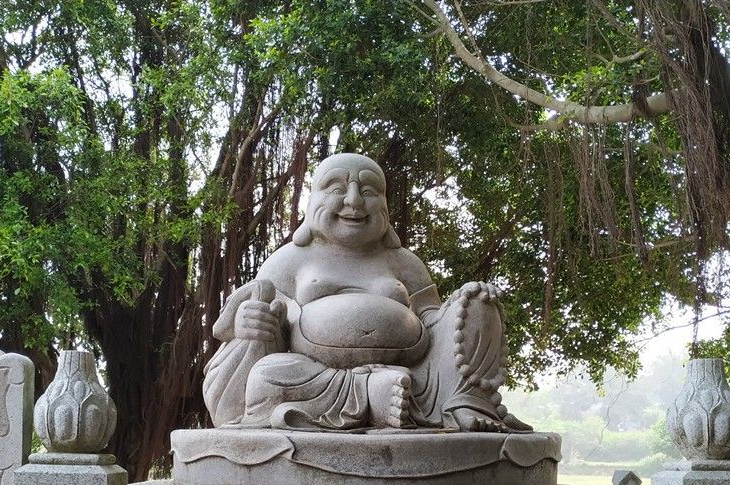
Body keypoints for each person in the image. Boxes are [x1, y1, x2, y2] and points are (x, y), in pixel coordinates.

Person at [203, 153, 528, 433]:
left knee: (481, 302)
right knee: (267, 375)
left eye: (369, 191)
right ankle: (370, 392)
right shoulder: (288, 260)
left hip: (414, 378)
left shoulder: (404, 262)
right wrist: (251, 321)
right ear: (313, 200)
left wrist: (463, 306)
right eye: (337, 189)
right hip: (318, 380)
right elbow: (257, 318)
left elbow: (431, 320)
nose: (354, 201)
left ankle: (462, 402)